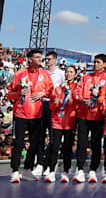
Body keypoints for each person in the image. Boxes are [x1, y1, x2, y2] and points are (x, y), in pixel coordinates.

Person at [7, 48, 53, 183]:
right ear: (30, 59)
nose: (40, 59)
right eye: (37, 57)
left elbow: (51, 91)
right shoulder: (19, 74)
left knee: (35, 144)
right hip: (20, 114)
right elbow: (9, 94)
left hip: (37, 115)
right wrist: (18, 94)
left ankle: (27, 170)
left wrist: (43, 94)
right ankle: (15, 171)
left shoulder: (45, 74)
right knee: (18, 143)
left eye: (41, 57)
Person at [72, 53, 106, 183]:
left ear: (105, 64)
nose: (96, 64)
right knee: (82, 144)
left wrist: (100, 100)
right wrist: (82, 100)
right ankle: (79, 170)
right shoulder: (86, 77)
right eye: (95, 62)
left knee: (96, 145)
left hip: (99, 117)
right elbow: (76, 92)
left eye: (98, 62)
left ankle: (93, 171)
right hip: (84, 115)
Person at [45, 65, 78, 183]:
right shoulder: (58, 88)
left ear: (75, 74)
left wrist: (70, 100)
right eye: (67, 72)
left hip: (70, 122)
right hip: (57, 122)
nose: (68, 74)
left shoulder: (77, 89)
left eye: (71, 72)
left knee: (67, 148)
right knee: (54, 147)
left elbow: (78, 105)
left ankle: (65, 172)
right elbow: (51, 106)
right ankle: (51, 171)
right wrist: (57, 103)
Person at [35, 50, 65, 178]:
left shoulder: (61, 74)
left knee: (53, 137)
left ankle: (49, 166)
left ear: (55, 60)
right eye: (45, 59)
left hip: (54, 107)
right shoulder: (41, 72)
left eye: (48, 59)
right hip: (42, 105)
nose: (46, 61)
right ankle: (40, 164)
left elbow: (63, 91)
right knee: (40, 136)